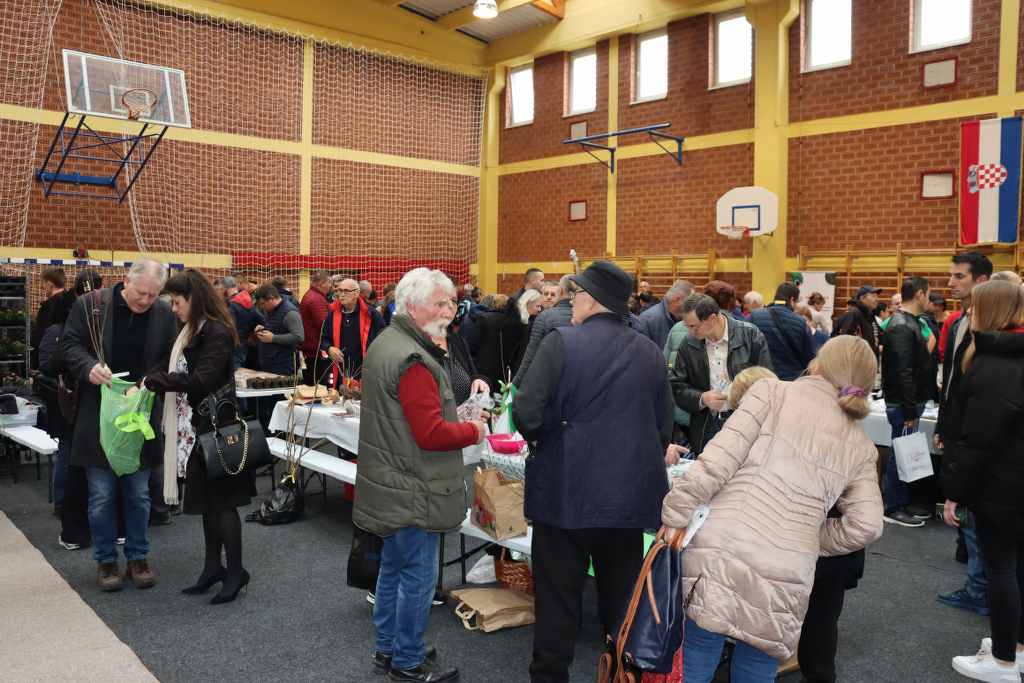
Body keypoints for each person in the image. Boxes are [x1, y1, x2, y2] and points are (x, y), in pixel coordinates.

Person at [662, 335, 884, 682]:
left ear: (819, 365)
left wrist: (674, 514)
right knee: (759, 662)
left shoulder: (770, 392)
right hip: (790, 565)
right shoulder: (862, 446)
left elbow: (716, 463)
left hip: (725, 544)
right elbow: (866, 526)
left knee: (698, 649)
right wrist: (811, 537)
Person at [512, 260, 675, 683]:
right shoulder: (651, 351)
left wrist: (558, 435)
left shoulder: (561, 341)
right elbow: (661, 428)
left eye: (575, 294)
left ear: (590, 299)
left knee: (558, 602)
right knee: (622, 603)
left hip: (567, 492)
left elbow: (526, 413)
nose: (571, 301)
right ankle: (620, 673)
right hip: (628, 500)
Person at [353, 268, 487, 683]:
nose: (450, 311)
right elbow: (430, 434)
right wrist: (474, 429)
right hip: (414, 485)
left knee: (394, 570)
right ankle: (407, 661)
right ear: (413, 306)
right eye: (441, 303)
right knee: (419, 577)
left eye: (452, 302)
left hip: (395, 479)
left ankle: (389, 648)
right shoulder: (413, 358)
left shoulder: (390, 341)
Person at [138, 270, 256, 605]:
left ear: (194, 299)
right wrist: (154, 374)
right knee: (207, 502)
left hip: (218, 426)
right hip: (200, 426)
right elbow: (174, 362)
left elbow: (201, 379)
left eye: (177, 302)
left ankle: (235, 572)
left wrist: (161, 380)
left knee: (223, 503)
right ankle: (212, 568)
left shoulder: (216, 332)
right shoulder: (193, 330)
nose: (173, 308)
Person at [62, 257, 178, 591]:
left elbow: (169, 357)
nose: (145, 301)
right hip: (98, 415)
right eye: (141, 293)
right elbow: (69, 346)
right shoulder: (91, 305)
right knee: (100, 494)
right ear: (126, 281)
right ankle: (106, 561)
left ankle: (138, 556)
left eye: (153, 296)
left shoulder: (163, 314)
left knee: (139, 495)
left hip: (139, 416)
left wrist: (151, 378)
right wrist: (88, 367)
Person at [942, 280, 1024, 683]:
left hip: (1001, 484)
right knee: (1016, 568)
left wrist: (954, 493)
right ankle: (1017, 648)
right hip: (1013, 478)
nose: (968, 311)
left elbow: (978, 439)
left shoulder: (994, 363)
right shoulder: (1005, 355)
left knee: (1000, 570)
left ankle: (1005, 661)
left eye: (974, 306)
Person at [935, 251, 994, 617]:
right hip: (958, 425)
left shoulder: (990, 325)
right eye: (951, 275)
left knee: (973, 508)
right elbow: (952, 380)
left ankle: (980, 589)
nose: (951, 283)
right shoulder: (959, 321)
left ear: (981, 282)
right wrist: (945, 423)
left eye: (959, 276)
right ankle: (979, 582)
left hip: (976, 428)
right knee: (967, 511)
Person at [670, 292, 772, 456]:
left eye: (694, 326)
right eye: (687, 326)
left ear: (711, 318)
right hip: (707, 424)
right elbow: (677, 386)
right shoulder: (688, 344)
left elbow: (768, 384)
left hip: (745, 423)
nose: (690, 332)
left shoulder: (750, 335)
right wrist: (702, 398)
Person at [47, 270, 104, 550]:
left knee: (84, 467)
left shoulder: (86, 315)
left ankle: (78, 532)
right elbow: (58, 360)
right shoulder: (89, 315)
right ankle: (85, 530)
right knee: (86, 466)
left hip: (94, 403)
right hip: (96, 403)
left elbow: (57, 360)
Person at [879, 276, 935, 528]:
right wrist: (910, 407)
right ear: (920, 294)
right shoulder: (901, 324)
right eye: (929, 294)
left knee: (905, 453)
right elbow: (902, 371)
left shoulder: (909, 321)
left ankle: (902, 500)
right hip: (904, 403)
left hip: (909, 401)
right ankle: (893, 507)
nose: (931, 299)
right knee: (898, 454)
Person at [38, 289, 78, 518]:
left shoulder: (78, 331)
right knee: (65, 452)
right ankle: (61, 503)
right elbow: (44, 365)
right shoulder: (54, 331)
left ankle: (69, 502)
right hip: (63, 401)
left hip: (78, 400)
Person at [318, 278, 386, 384]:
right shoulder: (333, 314)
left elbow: (384, 341)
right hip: (339, 372)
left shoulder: (371, 314)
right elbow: (323, 339)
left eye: (346, 291)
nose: (342, 294)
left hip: (364, 371)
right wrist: (329, 348)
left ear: (357, 293)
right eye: (340, 291)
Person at [512, 275, 574, 389]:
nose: (548, 297)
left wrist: (516, 383)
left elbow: (531, 355)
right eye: (546, 294)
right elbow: (525, 354)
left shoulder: (577, 316)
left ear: (560, 294)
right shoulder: (536, 319)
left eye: (553, 294)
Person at [749, 282, 816, 381]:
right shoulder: (802, 324)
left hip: (760, 380)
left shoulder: (752, 317)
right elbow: (809, 360)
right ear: (792, 300)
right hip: (791, 383)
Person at [253, 283, 303, 377]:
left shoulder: (290, 312)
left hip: (282, 365)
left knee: (279, 392)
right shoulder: (271, 310)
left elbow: (298, 336)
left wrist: (273, 338)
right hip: (268, 362)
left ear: (272, 298)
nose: (262, 307)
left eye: (263, 303)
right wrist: (261, 330)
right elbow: (277, 328)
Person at [639, 279, 694, 350]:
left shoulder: (690, 322)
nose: (693, 306)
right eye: (691, 301)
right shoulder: (646, 320)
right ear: (677, 300)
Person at [500, 288, 542, 381]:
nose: (540, 310)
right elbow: (509, 355)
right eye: (537, 306)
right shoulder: (513, 323)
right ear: (527, 304)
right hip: (513, 375)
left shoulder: (528, 322)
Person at [298, 269, 332, 386]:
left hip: (312, 349)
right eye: (329, 283)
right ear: (322, 283)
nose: (330, 286)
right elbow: (324, 325)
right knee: (318, 386)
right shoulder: (316, 299)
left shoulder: (312, 295)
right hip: (316, 351)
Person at [468, 294, 508, 392]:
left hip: (483, 364)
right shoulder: (509, 320)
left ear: (493, 304)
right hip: (502, 366)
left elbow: (474, 341)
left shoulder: (484, 318)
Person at [32, 267, 67, 369]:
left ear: (49, 284)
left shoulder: (47, 308)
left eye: (43, 283)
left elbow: (39, 337)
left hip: (50, 359)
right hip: (71, 358)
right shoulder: (74, 303)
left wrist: (35, 365)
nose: (43, 287)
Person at [836, 285, 882, 358]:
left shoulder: (871, 315)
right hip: (859, 364)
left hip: (871, 362)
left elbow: (880, 336)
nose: (877, 299)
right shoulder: (854, 314)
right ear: (862, 299)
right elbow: (844, 340)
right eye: (873, 296)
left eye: (876, 296)